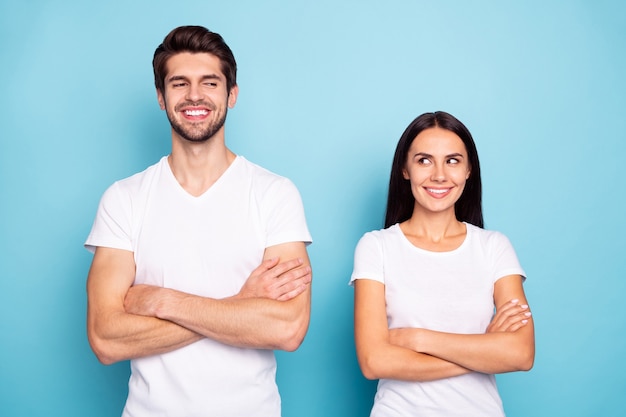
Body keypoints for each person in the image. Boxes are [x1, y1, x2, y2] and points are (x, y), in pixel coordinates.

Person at [85, 25, 312, 417]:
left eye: (209, 82)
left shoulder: (274, 194)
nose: (194, 95)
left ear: (232, 94)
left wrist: (160, 300)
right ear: (161, 97)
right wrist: (240, 306)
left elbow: (286, 329)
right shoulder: (124, 199)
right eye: (179, 83)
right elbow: (106, 338)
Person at [350, 111, 534, 416]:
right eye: (424, 160)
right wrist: (484, 350)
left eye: (452, 161)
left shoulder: (493, 248)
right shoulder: (376, 247)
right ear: (405, 169)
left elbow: (521, 353)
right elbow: (374, 361)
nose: (439, 175)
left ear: (468, 170)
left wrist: (418, 339)